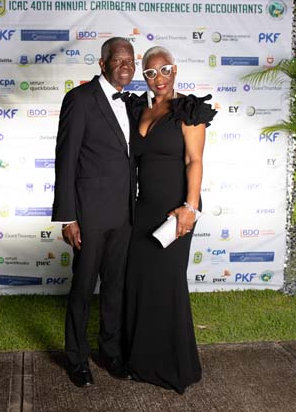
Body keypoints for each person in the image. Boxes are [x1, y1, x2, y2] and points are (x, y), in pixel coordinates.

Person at [124, 46, 217, 394]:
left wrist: (189, 208)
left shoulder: (188, 110)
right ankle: (140, 360)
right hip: (143, 208)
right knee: (140, 281)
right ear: (144, 77)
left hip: (177, 208)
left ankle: (173, 365)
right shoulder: (138, 110)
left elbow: (195, 160)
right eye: (150, 73)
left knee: (167, 282)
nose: (158, 78)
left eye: (164, 70)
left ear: (175, 70)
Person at [52, 37, 137, 388]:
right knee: (83, 290)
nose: (126, 66)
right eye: (118, 60)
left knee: (115, 289)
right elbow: (66, 159)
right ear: (102, 64)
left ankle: (109, 352)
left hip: (125, 215)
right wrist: (68, 217)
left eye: (131, 61)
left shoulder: (132, 102)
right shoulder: (80, 99)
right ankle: (76, 358)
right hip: (89, 216)